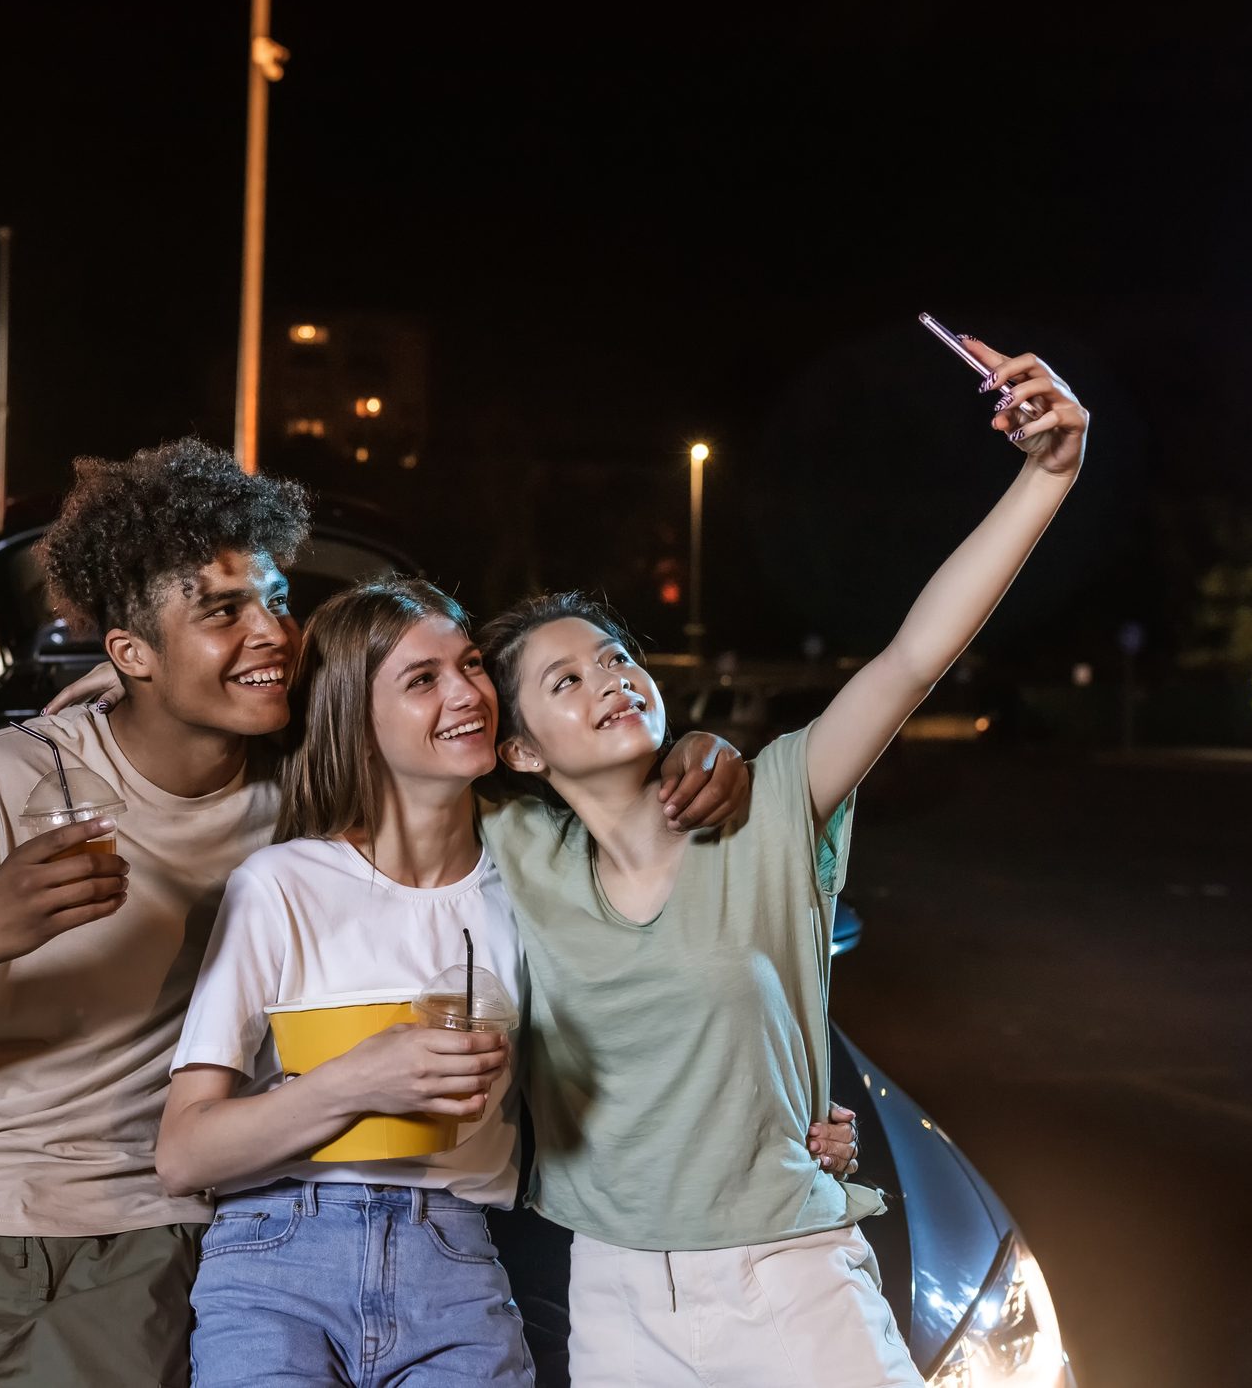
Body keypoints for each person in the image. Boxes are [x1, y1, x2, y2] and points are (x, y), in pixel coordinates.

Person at [0, 436, 754, 1385]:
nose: (270, 631)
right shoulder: (11, 779)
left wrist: (687, 750)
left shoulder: (305, 804)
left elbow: (501, 791)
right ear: (130, 653)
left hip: (140, 1229)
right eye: (223, 611)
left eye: (273, 599)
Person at [476, 336, 1087, 1387]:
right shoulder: (508, 847)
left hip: (794, 1277)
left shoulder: (773, 804)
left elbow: (911, 656)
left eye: (616, 658)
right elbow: (358, 754)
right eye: (565, 681)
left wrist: (1048, 473)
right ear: (520, 749)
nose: (610, 681)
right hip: (616, 1293)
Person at [153, 581, 861, 1387]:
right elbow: (182, 1153)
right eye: (422, 680)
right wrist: (355, 1080)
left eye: (471, 666)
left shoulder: (533, 884)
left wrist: (787, 1110)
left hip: (456, 1259)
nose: (466, 693)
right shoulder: (280, 884)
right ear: (355, 715)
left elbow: (660, 1010)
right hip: (279, 1247)